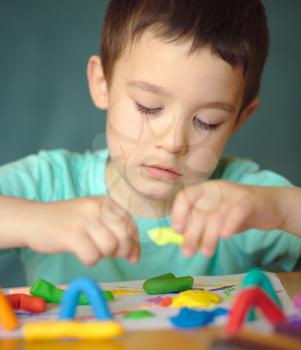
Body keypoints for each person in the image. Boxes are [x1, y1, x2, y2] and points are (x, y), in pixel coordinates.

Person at [0, 0, 300, 285]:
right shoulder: (50, 185)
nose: (173, 143)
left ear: (239, 120)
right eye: (148, 107)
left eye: (208, 121)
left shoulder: (246, 203)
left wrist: (281, 209)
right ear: (102, 84)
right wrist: (35, 220)